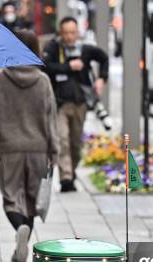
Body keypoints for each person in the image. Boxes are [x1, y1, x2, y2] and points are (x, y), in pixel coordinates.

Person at [0, 30, 58, 262]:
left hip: (9, 148)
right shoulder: (43, 81)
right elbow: (51, 118)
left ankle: (19, 232)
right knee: (31, 199)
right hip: (39, 147)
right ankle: (22, 244)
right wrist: (53, 150)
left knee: (11, 198)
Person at [43, 16, 108, 192]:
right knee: (62, 140)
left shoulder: (85, 50)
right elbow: (45, 66)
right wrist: (68, 66)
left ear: (78, 32)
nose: (69, 36)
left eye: (73, 32)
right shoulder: (53, 48)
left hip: (80, 104)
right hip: (60, 104)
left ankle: (72, 171)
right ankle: (66, 177)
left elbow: (103, 58)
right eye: (66, 33)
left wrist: (102, 79)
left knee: (75, 143)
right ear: (60, 33)